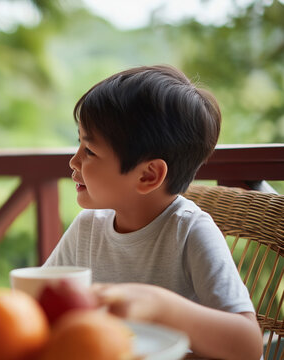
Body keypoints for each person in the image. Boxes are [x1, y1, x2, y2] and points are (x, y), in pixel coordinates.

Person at [44, 65, 263, 359]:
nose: (73, 161)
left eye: (90, 151)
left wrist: (161, 306)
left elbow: (248, 346)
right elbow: (38, 305)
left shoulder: (189, 231)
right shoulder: (87, 227)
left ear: (148, 175)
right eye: (79, 144)